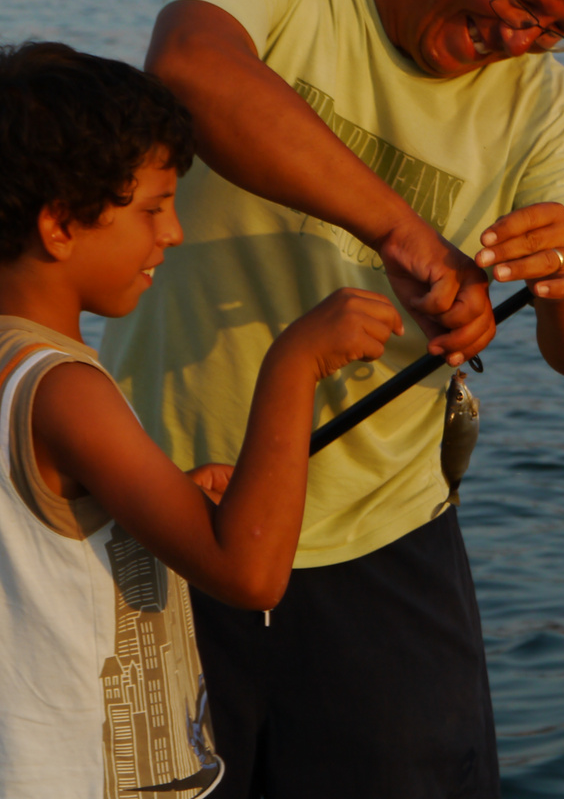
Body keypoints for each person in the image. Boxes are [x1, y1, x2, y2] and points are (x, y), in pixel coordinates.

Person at [101, 0, 564, 796]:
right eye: (518, 1)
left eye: (557, 29)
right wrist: (406, 233)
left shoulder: (542, 107)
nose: (520, 41)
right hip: (168, 512)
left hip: (383, 545)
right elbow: (188, 66)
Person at [0, 42, 403, 798]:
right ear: (58, 227)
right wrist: (293, 365)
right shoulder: (65, 388)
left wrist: (152, 502)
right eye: (152, 207)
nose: (174, 232)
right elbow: (248, 574)